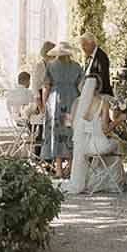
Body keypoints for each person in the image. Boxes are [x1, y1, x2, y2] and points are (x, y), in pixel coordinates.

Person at [68, 71, 125, 195]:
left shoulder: (77, 102)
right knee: (116, 143)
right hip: (98, 146)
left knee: (110, 143)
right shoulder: (102, 102)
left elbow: (72, 126)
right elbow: (105, 129)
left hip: (83, 147)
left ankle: (96, 179)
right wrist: (119, 120)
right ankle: (109, 182)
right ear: (98, 87)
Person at [41, 41, 84, 176]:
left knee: (56, 132)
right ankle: (71, 168)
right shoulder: (77, 67)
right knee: (70, 131)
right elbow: (81, 86)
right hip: (71, 101)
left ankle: (58, 169)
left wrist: (44, 104)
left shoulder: (51, 66)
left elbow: (46, 87)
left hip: (55, 101)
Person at [81, 29, 112, 96]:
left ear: (92, 44)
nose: (82, 48)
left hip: (101, 95)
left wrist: (97, 92)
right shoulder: (88, 58)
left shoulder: (101, 57)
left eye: (84, 45)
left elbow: (103, 78)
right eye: (82, 45)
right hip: (90, 94)